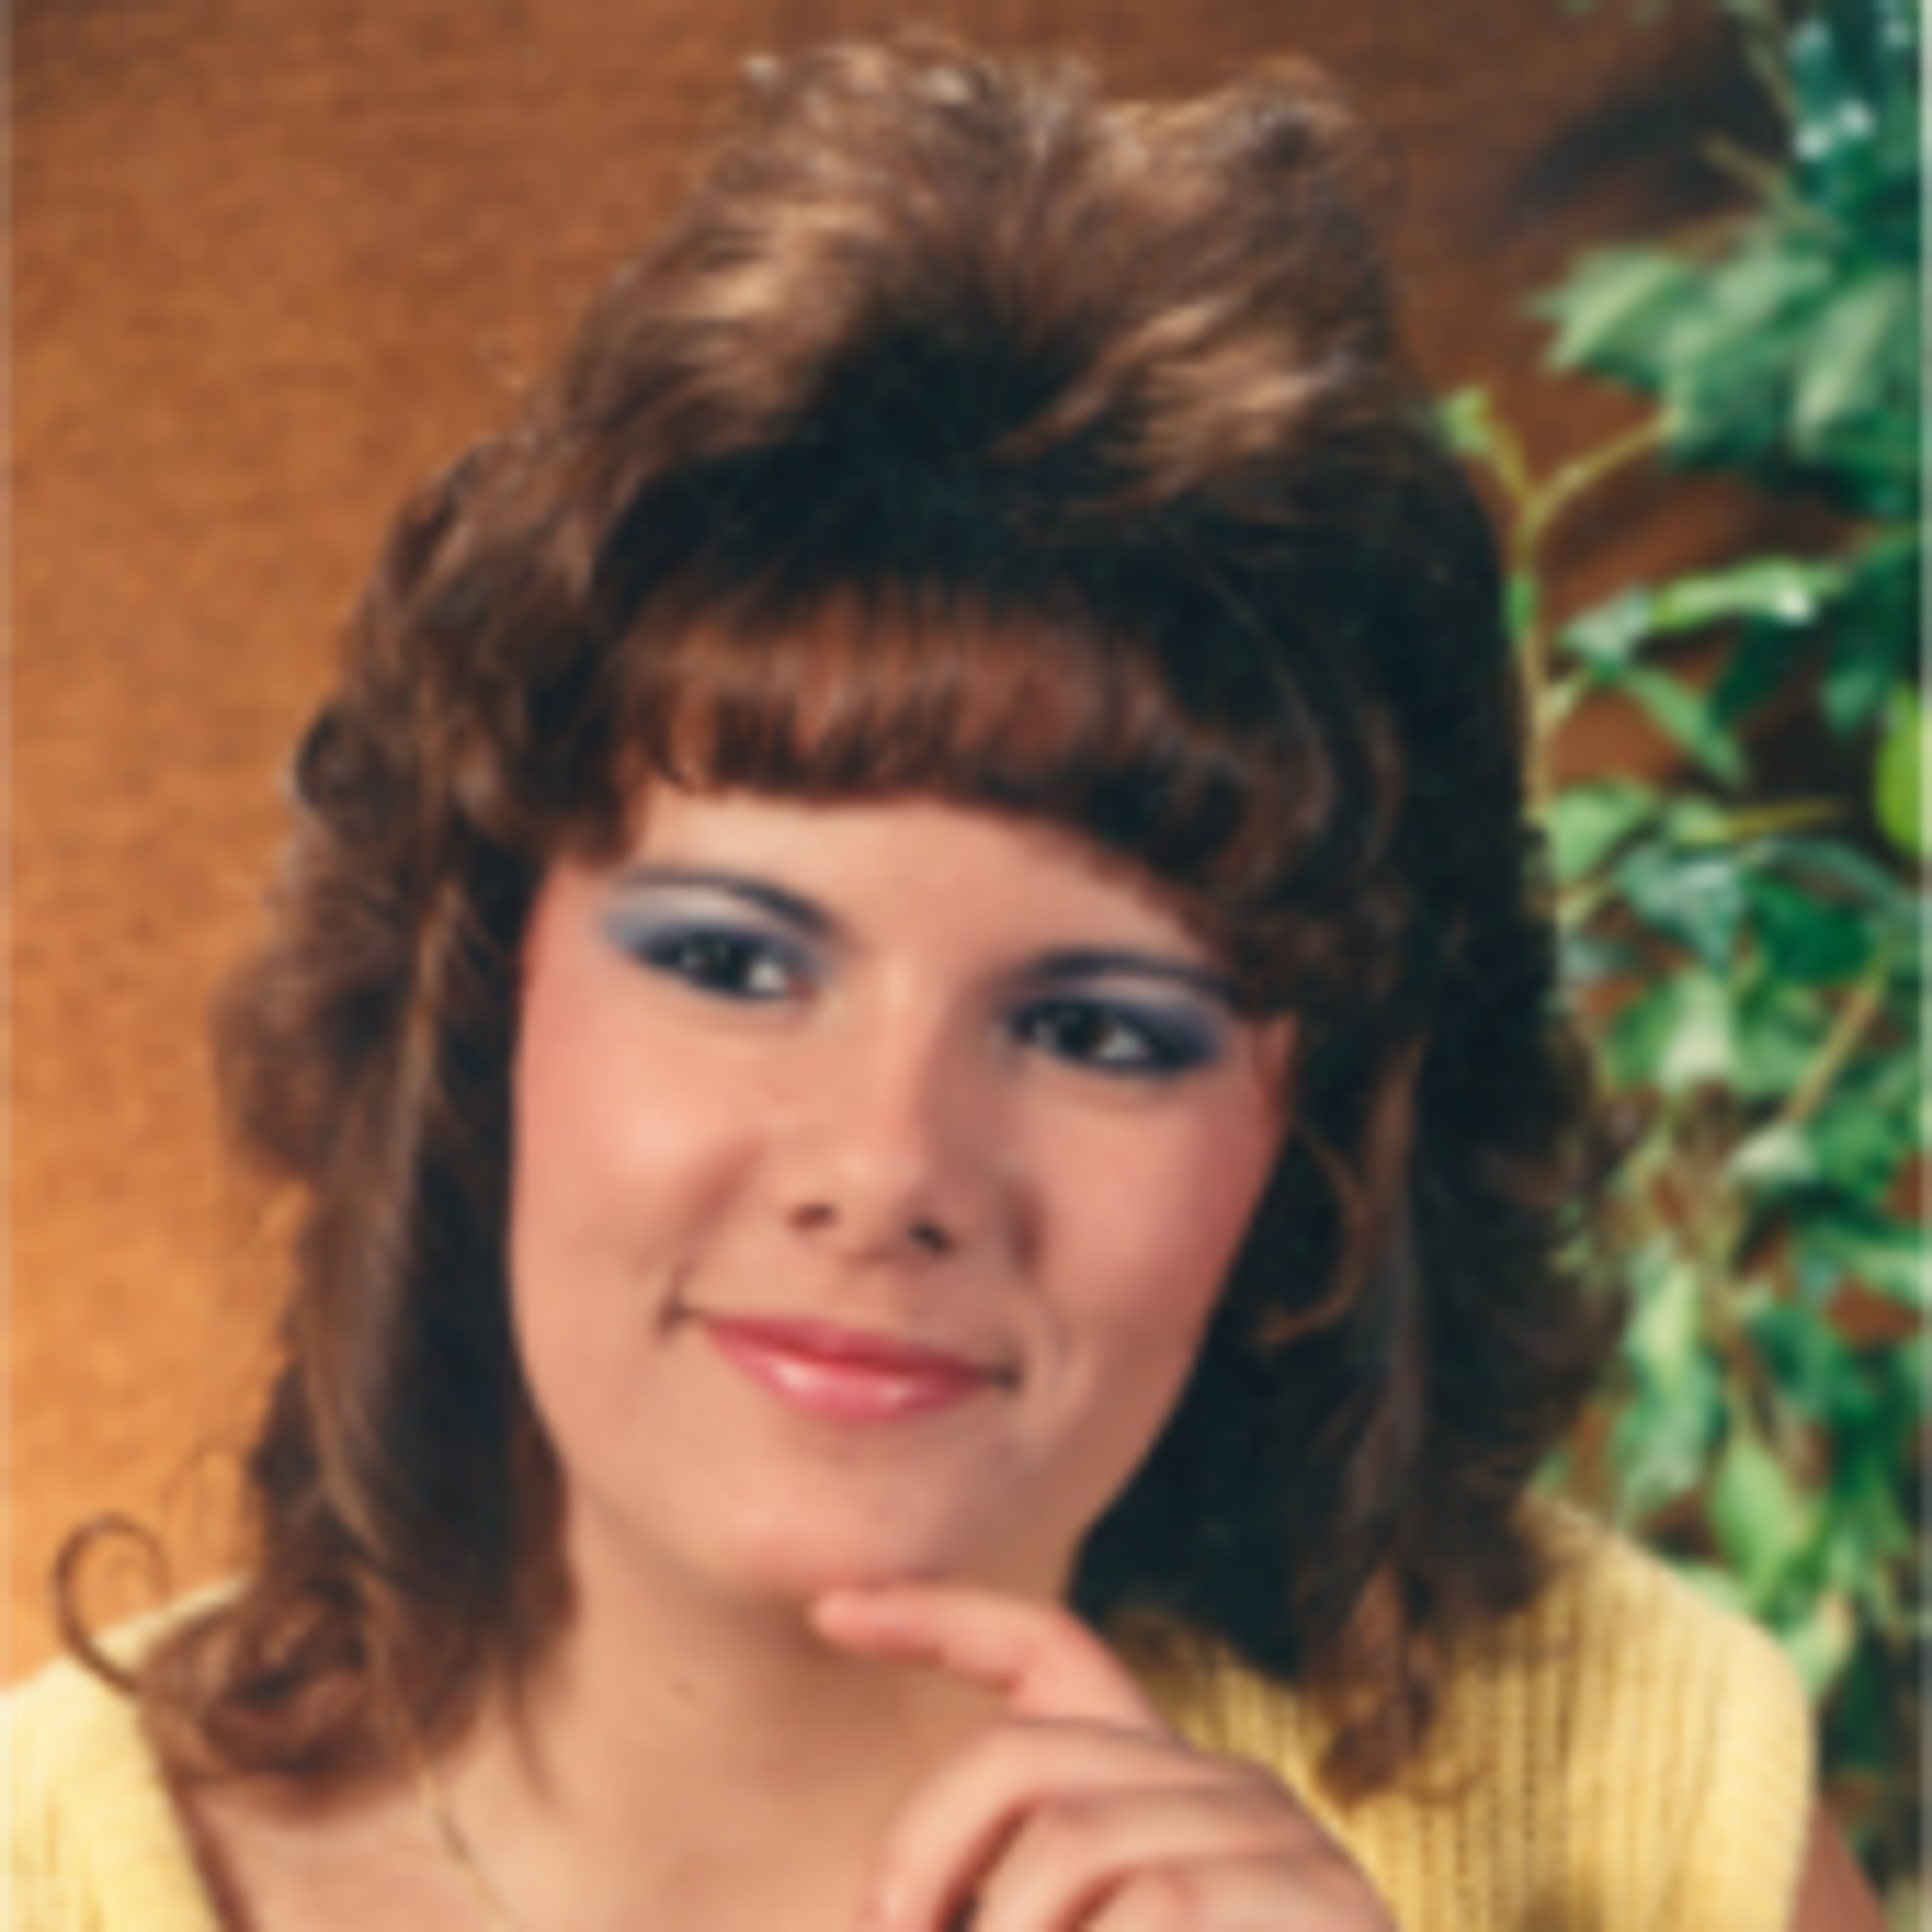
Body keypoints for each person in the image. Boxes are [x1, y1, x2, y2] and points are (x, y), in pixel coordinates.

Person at [0, 34, 1880, 1932]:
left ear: (1310, 1150)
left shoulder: (1626, 1797)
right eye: (733, 961)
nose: (888, 1166)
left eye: (1094, 1030)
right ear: (480, 1005)